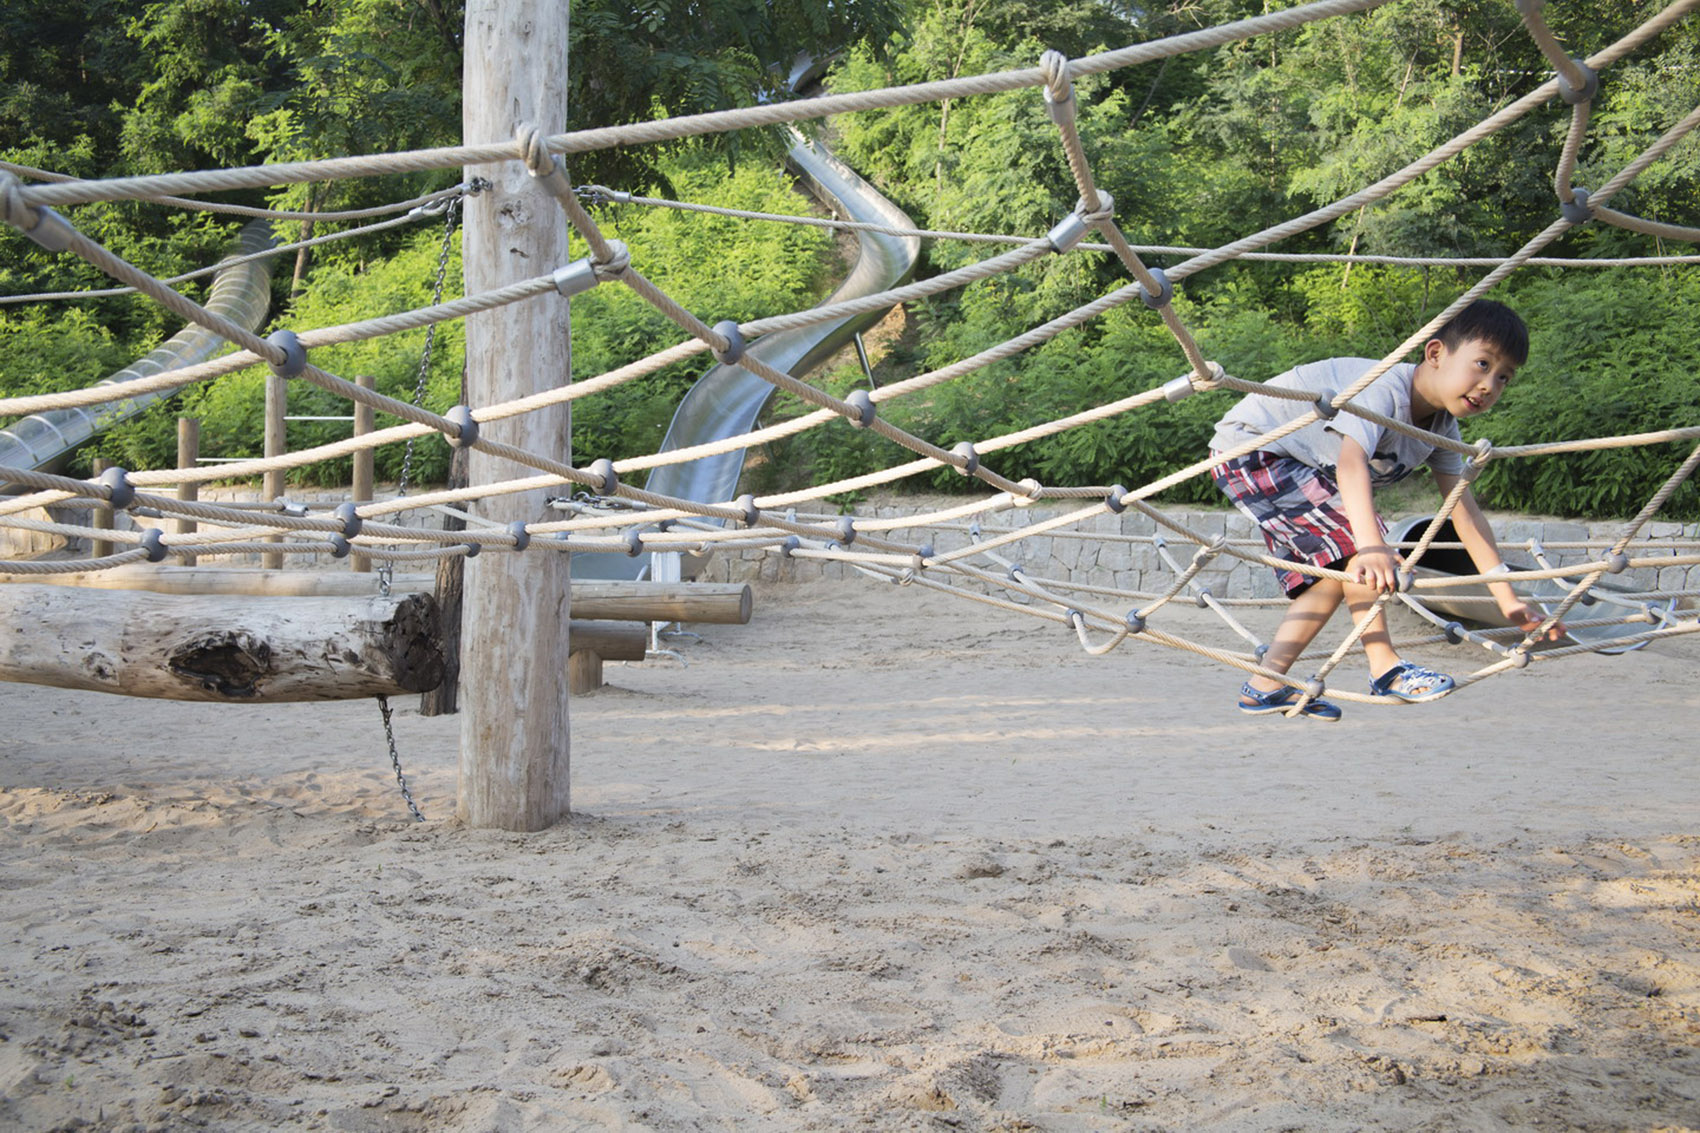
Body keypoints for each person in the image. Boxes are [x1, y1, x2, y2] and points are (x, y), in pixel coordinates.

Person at [1209, 299, 1556, 721]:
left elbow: (1462, 510)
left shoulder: (1441, 428)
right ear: (1435, 354)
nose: (1489, 385)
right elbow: (1350, 461)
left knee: (1332, 576)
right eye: (1482, 364)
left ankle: (1264, 685)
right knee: (1362, 551)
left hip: (1293, 462)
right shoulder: (1384, 390)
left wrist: (1507, 598)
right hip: (1253, 448)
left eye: (1504, 377)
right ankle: (1386, 669)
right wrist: (1372, 545)